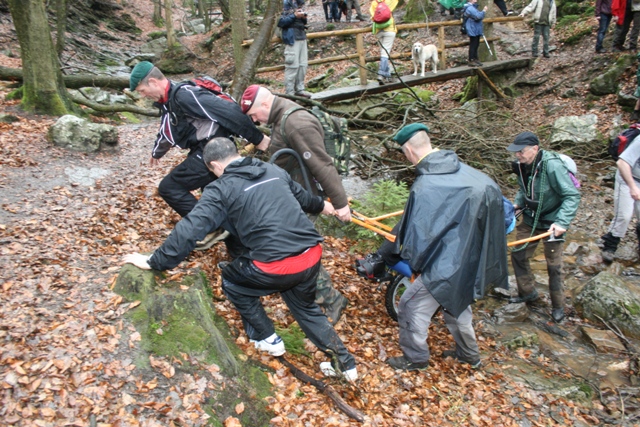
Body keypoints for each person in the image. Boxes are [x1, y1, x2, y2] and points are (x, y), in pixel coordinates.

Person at [123, 137, 358, 381]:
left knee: (232, 281)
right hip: (310, 256)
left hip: (277, 265)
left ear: (214, 165)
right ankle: (347, 366)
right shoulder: (272, 169)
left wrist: (155, 261)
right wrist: (323, 205)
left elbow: (190, 229)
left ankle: (266, 338)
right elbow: (302, 197)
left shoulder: (220, 188)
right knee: (306, 307)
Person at [358, 124, 509, 371]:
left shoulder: (427, 185)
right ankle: (470, 356)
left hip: (446, 265)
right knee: (456, 303)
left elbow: (419, 237)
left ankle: (415, 359)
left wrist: (415, 267)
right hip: (473, 260)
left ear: (408, 150)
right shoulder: (476, 176)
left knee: (410, 305)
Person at [239, 85, 350, 324]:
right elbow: (283, 154)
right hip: (295, 196)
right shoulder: (280, 119)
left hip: (308, 198)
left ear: (266, 104)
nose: (254, 120)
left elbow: (322, 164)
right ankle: (316, 297)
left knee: (302, 250)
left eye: (254, 115)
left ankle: (332, 302)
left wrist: (340, 203)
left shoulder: (296, 122)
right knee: (296, 249)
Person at [129, 61, 269, 249]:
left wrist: (258, 139)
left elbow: (228, 112)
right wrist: (157, 153)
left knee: (170, 187)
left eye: (142, 90)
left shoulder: (185, 95)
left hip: (213, 149)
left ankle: (211, 227)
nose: (143, 96)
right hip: (205, 150)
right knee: (216, 198)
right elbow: (167, 131)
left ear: (153, 82)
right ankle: (239, 250)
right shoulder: (168, 102)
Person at [507, 132, 580, 323]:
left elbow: (572, 196)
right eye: (516, 152)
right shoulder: (522, 166)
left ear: (535, 149)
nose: (518, 155)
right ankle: (528, 292)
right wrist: (517, 204)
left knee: (554, 266)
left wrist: (562, 222)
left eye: (521, 152)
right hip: (531, 219)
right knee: (518, 255)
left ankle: (558, 306)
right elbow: (524, 188)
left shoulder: (552, 166)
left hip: (553, 222)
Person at [600, 132, 640, 262]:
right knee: (624, 215)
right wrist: (633, 187)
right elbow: (622, 163)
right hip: (627, 176)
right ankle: (610, 246)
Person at [277, 0, 312, 98]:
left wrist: (303, 18)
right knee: (292, 66)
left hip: (302, 37)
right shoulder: (284, 3)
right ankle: (290, 93)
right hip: (292, 38)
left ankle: (300, 90)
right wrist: (294, 16)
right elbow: (280, 22)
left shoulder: (299, 3)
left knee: (303, 66)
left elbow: (302, 22)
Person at [370, 0, 398, 84]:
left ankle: (387, 76)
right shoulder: (390, 1)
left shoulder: (374, 3)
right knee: (385, 53)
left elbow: (373, 16)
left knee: (383, 52)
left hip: (378, 30)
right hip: (389, 29)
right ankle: (381, 74)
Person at [463, 0, 488, 67]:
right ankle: (471, 59)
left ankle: (475, 58)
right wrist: (484, 11)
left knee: (476, 44)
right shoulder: (469, 8)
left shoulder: (473, 7)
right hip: (472, 28)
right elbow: (478, 17)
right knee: (473, 44)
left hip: (475, 28)